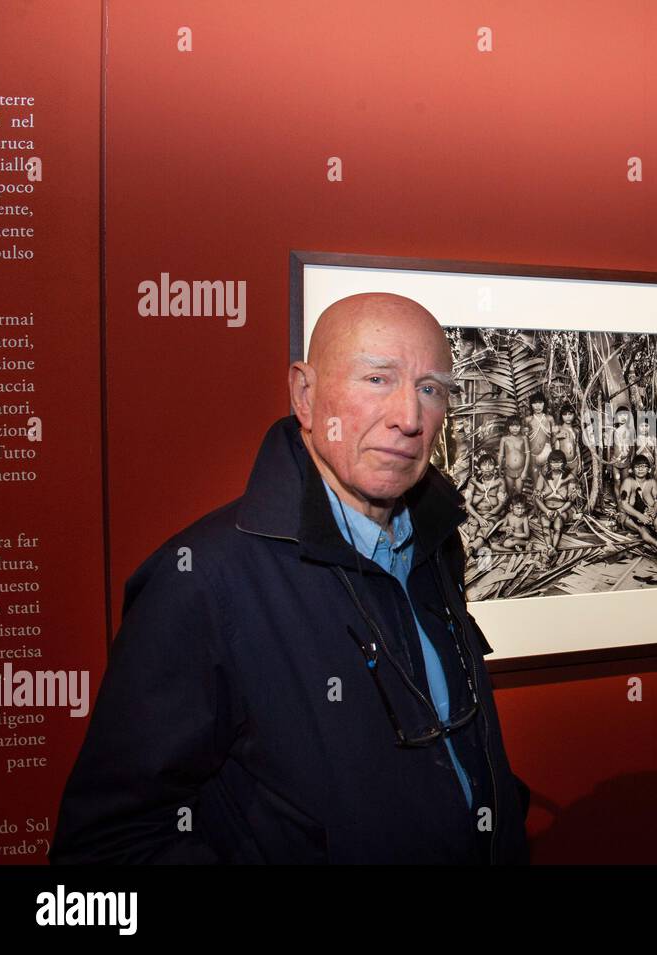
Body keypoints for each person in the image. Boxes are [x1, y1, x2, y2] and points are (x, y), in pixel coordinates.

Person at [51, 292, 530, 864]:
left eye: (430, 388)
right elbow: (108, 847)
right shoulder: (203, 579)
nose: (408, 417)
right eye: (378, 379)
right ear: (305, 394)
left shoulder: (436, 540)